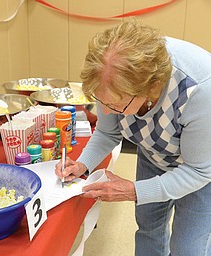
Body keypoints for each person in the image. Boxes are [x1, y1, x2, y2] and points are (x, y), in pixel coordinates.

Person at [55, 19, 211, 256]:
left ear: (152, 88)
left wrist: (133, 190)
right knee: (148, 226)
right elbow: (107, 132)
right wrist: (82, 164)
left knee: (188, 247)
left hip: (200, 168)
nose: (106, 112)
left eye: (116, 105)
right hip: (154, 151)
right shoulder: (109, 78)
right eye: (102, 102)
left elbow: (198, 171)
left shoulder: (199, 90)